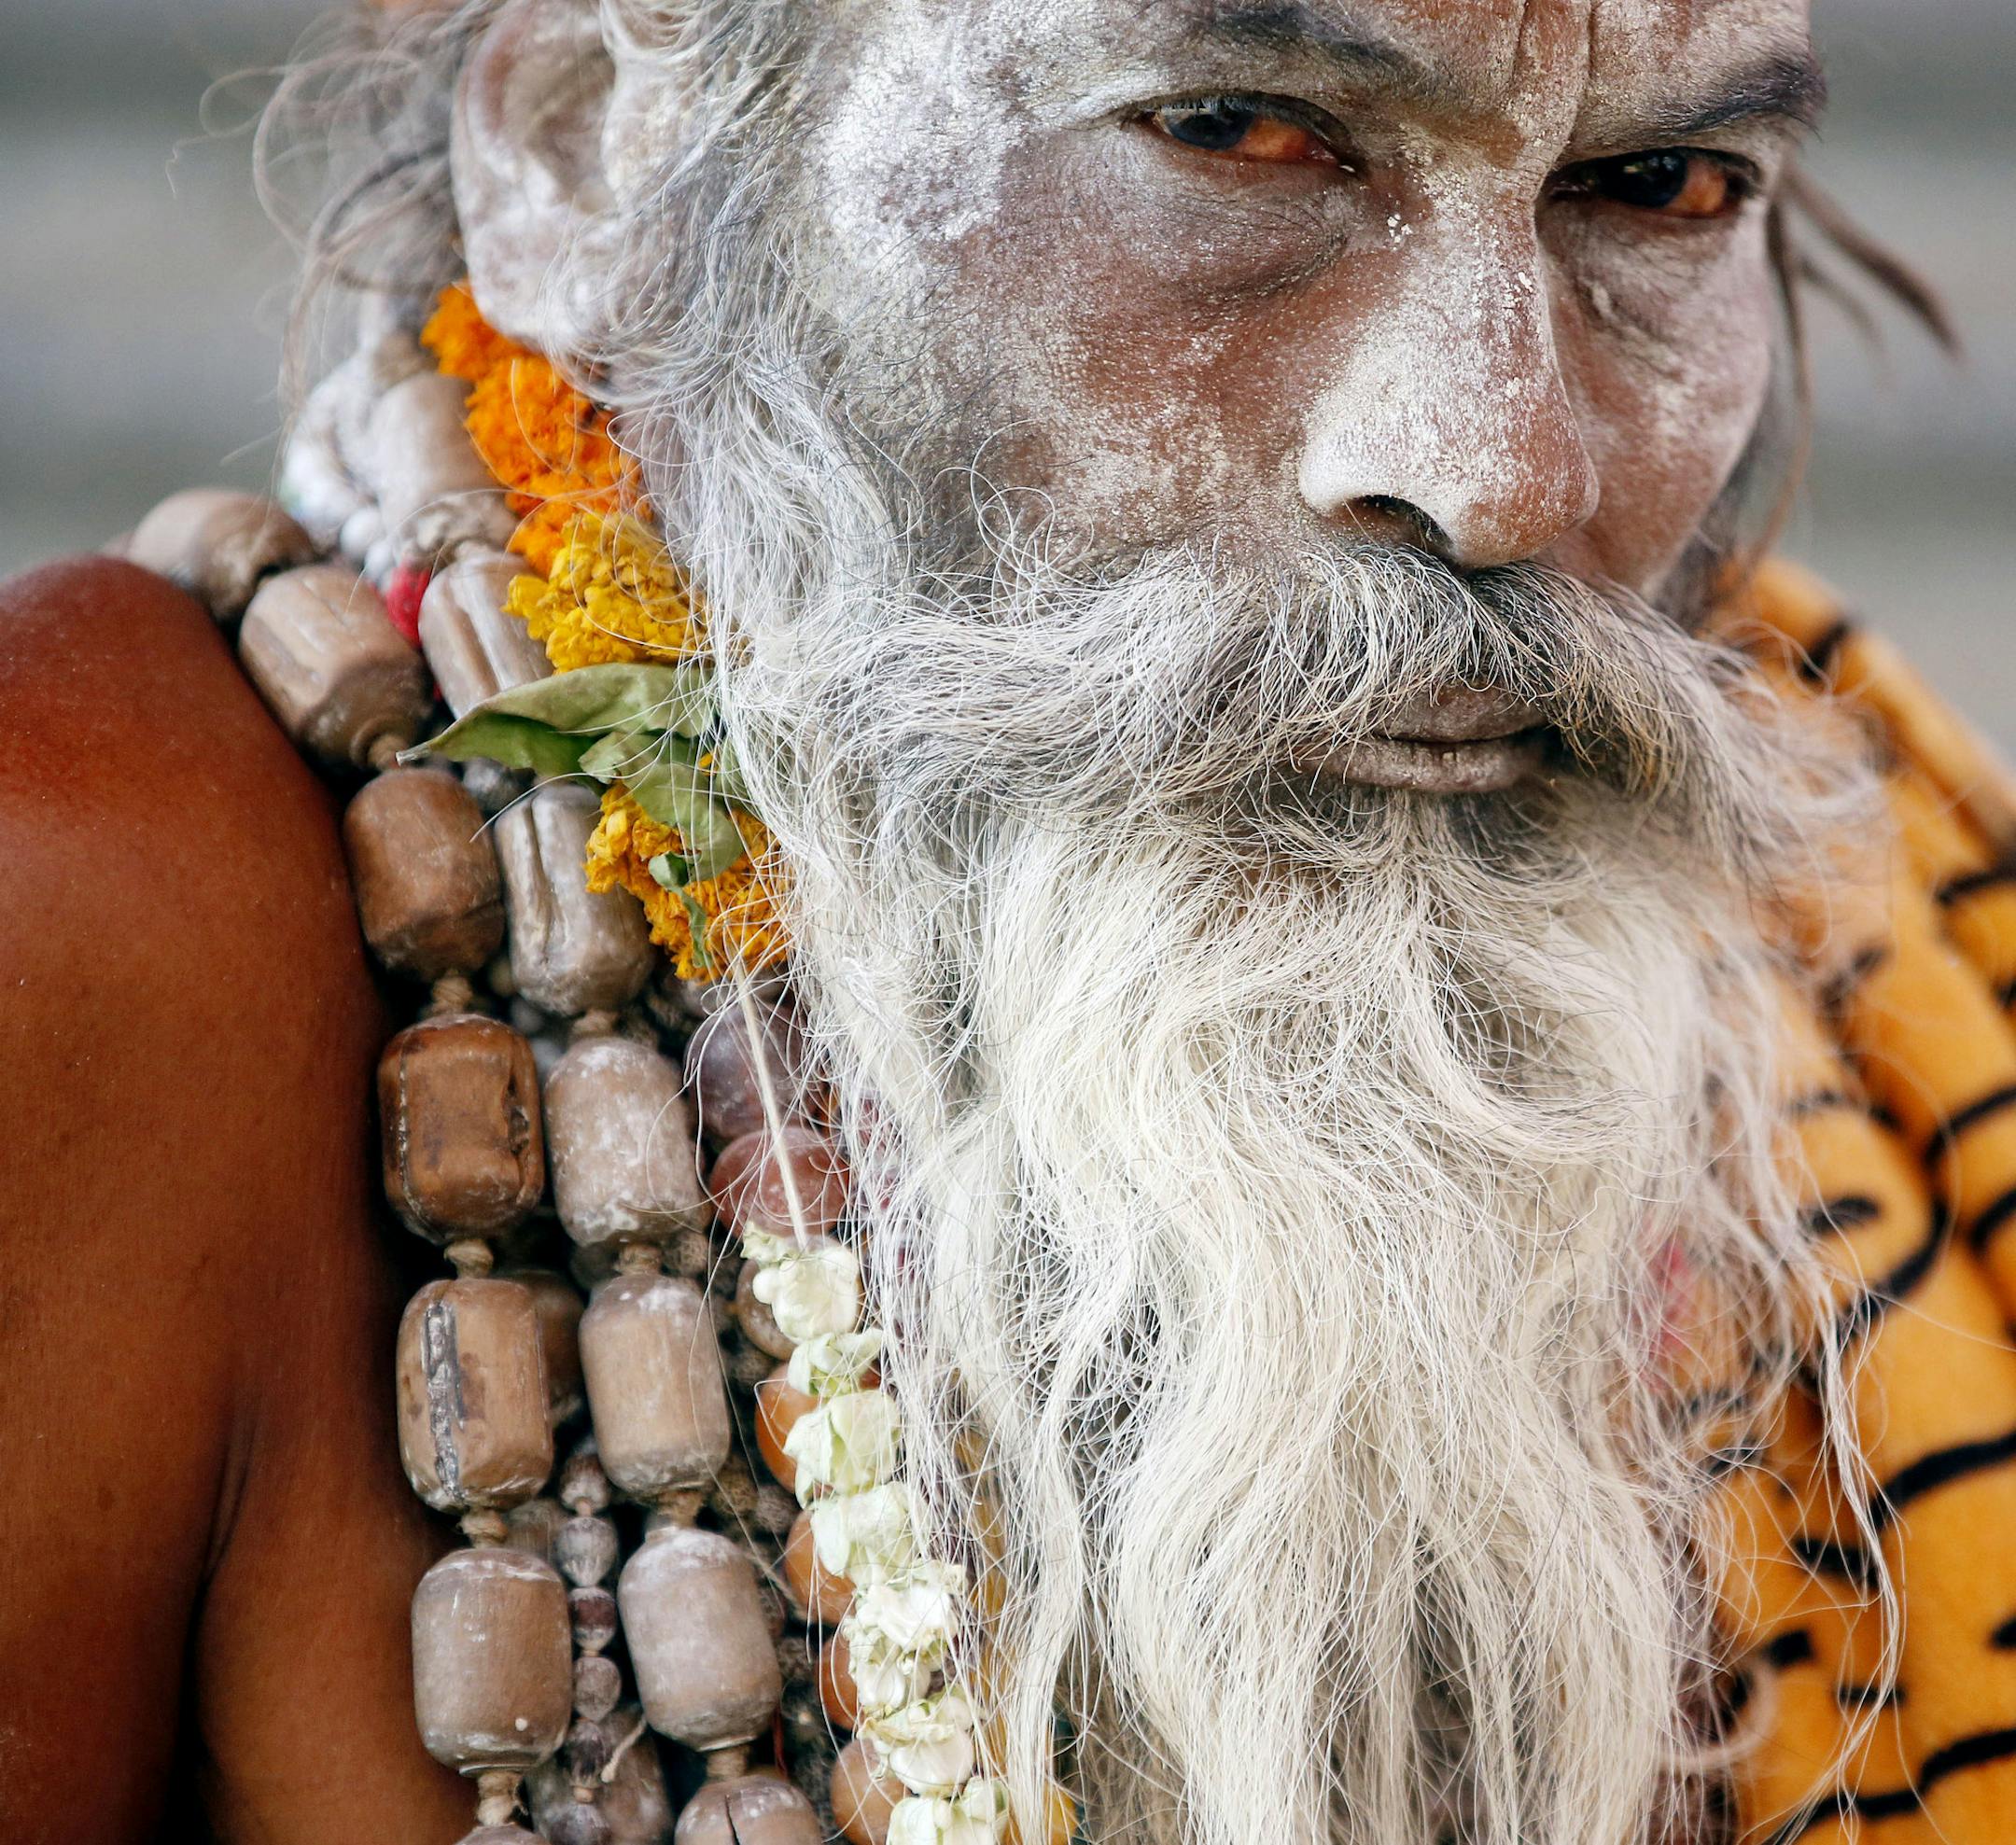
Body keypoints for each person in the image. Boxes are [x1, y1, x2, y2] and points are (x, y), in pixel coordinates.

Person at [5, 3, 2013, 1842]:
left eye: (1658, 188)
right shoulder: (100, 911)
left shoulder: (1862, 899)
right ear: (590, 147)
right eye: (1240, 133)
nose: (1495, 469)